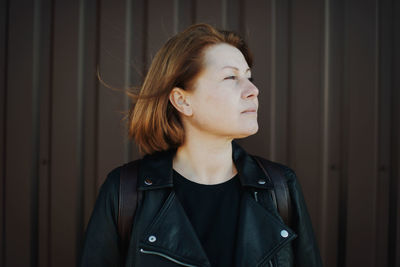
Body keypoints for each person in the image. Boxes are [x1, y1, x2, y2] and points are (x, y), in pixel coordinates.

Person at [80, 23, 322, 267]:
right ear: (182, 101)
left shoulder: (279, 188)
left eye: (249, 77)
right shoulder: (126, 193)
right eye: (231, 77)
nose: (253, 90)